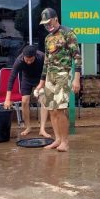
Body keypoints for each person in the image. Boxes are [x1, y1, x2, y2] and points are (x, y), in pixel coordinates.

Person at [34, 8, 82, 152]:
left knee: (60, 110)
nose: (48, 26)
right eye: (45, 24)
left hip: (63, 75)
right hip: (50, 76)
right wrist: (41, 82)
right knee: (51, 110)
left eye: (49, 22)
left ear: (56, 19)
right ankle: (57, 139)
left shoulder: (68, 33)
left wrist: (76, 79)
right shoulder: (48, 38)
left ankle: (65, 142)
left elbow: (77, 57)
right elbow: (46, 62)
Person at [3, 45, 51, 138]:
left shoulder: (41, 57)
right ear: (23, 56)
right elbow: (12, 78)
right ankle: (28, 127)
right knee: (24, 101)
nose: (28, 62)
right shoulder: (19, 60)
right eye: (27, 60)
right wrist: (7, 98)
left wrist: (41, 85)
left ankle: (42, 129)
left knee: (43, 101)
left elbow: (47, 71)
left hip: (41, 79)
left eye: (31, 60)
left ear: (35, 56)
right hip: (27, 79)